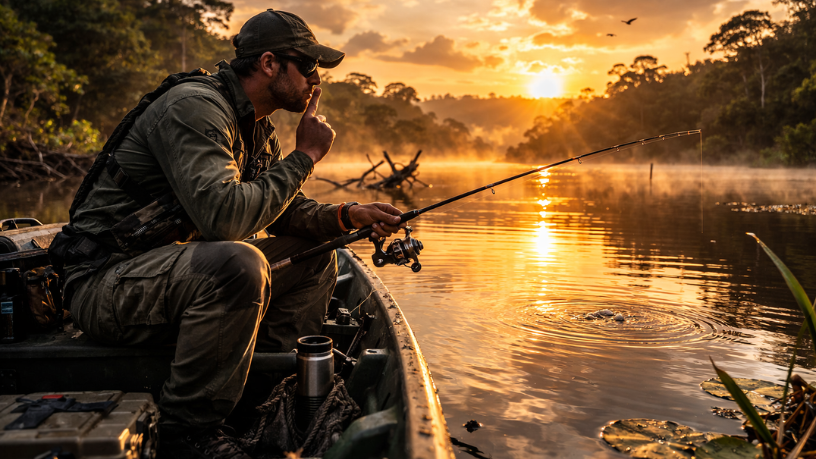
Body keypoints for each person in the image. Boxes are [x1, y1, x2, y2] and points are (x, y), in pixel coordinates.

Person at [57, 9, 403, 459]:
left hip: (170, 276)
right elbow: (224, 220)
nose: (316, 80)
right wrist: (306, 157)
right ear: (269, 64)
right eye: (308, 66)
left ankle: (260, 400)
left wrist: (348, 214)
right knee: (239, 262)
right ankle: (189, 432)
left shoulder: (256, 125)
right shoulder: (194, 107)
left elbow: (283, 211)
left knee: (320, 251)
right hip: (106, 284)